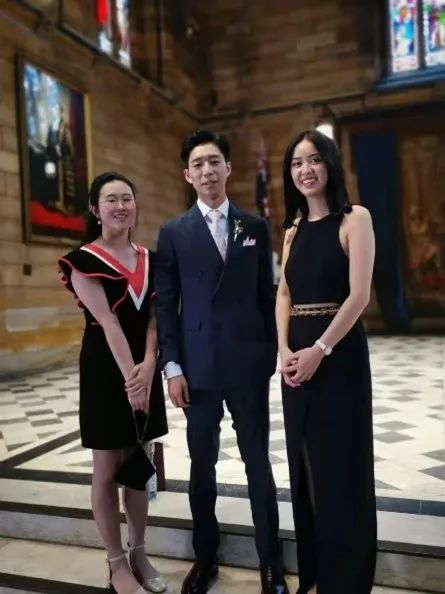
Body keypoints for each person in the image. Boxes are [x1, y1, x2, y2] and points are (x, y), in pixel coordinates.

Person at [155, 129, 288, 594]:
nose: (207, 171)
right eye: (198, 164)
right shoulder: (173, 232)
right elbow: (166, 304)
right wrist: (172, 367)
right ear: (187, 175)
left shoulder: (254, 227)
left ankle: (270, 560)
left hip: (247, 365)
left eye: (214, 162)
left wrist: (269, 355)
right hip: (198, 369)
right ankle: (205, 557)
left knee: (257, 464)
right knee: (201, 466)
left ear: (228, 169)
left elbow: (267, 296)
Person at [276, 130, 377, 594]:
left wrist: (319, 349)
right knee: (305, 467)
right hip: (296, 360)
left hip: (338, 357)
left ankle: (347, 579)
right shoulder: (292, 232)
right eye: (297, 163)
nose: (306, 170)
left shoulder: (355, 218)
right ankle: (315, 575)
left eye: (314, 159)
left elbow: (359, 296)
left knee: (341, 465)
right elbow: (284, 293)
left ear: (331, 164)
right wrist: (283, 350)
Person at [58, 172, 168, 594]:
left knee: (140, 460)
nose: (120, 206)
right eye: (111, 200)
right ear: (95, 209)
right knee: (106, 468)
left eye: (127, 198)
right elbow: (108, 322)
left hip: (144, 366)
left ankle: (139, 552)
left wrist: (150, 363)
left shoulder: (150, 259)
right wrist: (132, 381)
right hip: (106, 371)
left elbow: (155, 317)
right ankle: (116, 562)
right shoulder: (83, 260)